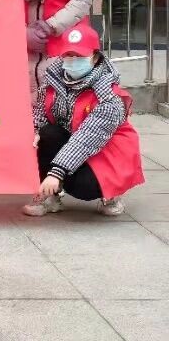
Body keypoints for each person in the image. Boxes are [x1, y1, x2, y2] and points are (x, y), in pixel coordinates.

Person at [23, 22, 144, 217]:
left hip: (105, 151)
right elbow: (41, 111)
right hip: (70, 139)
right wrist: (35, 131)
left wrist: (56, 172)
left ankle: (110, 194)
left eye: (79, 56)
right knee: (46, 134)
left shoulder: (108, 96)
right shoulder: (53, 79)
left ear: (95, 57)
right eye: (68, 55)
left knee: (84, 186)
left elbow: (87, 138)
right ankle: (50, 195)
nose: (72, 60)